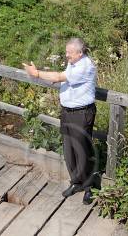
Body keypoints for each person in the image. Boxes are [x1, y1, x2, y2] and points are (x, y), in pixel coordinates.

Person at [23, 38, 97, 205]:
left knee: (82, 151)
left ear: (80, 52)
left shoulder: (85, 66)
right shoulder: (74, 62)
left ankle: (88, 188)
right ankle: (76, 182)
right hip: (68, 112)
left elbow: (58, 76)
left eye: (69, 53)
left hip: (81, 113)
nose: (66, 55)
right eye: (66, 52)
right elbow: (61, 77)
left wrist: (36, 73)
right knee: (69, 150)